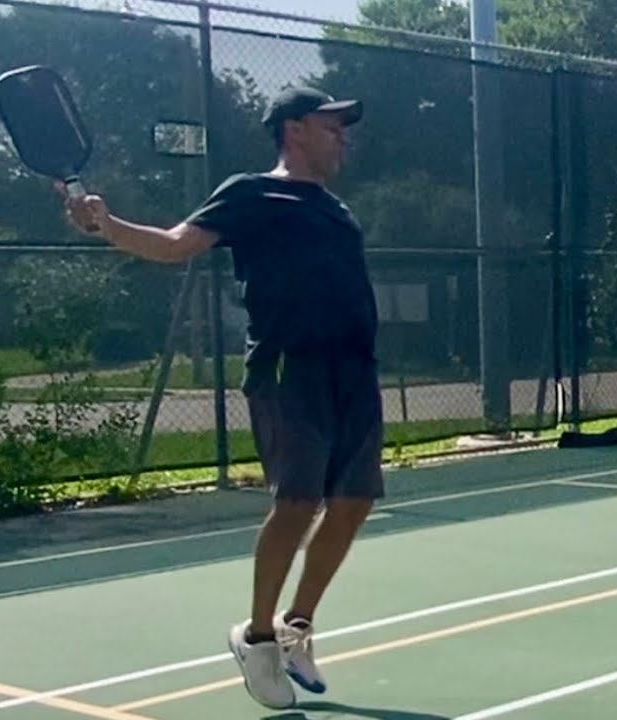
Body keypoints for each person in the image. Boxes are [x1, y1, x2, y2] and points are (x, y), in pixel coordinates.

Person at [59, 86, 382, 710]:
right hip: (292, 370)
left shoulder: (338, 210)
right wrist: (106, 224)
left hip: (354, 373)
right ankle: (257, 638)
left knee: (353, 502)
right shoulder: (251, 192)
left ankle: (296, 628)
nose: (343, 135)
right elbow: (175, 244)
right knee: (297, 501)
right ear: (293, 130)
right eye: (331, 125)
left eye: (345, 126)